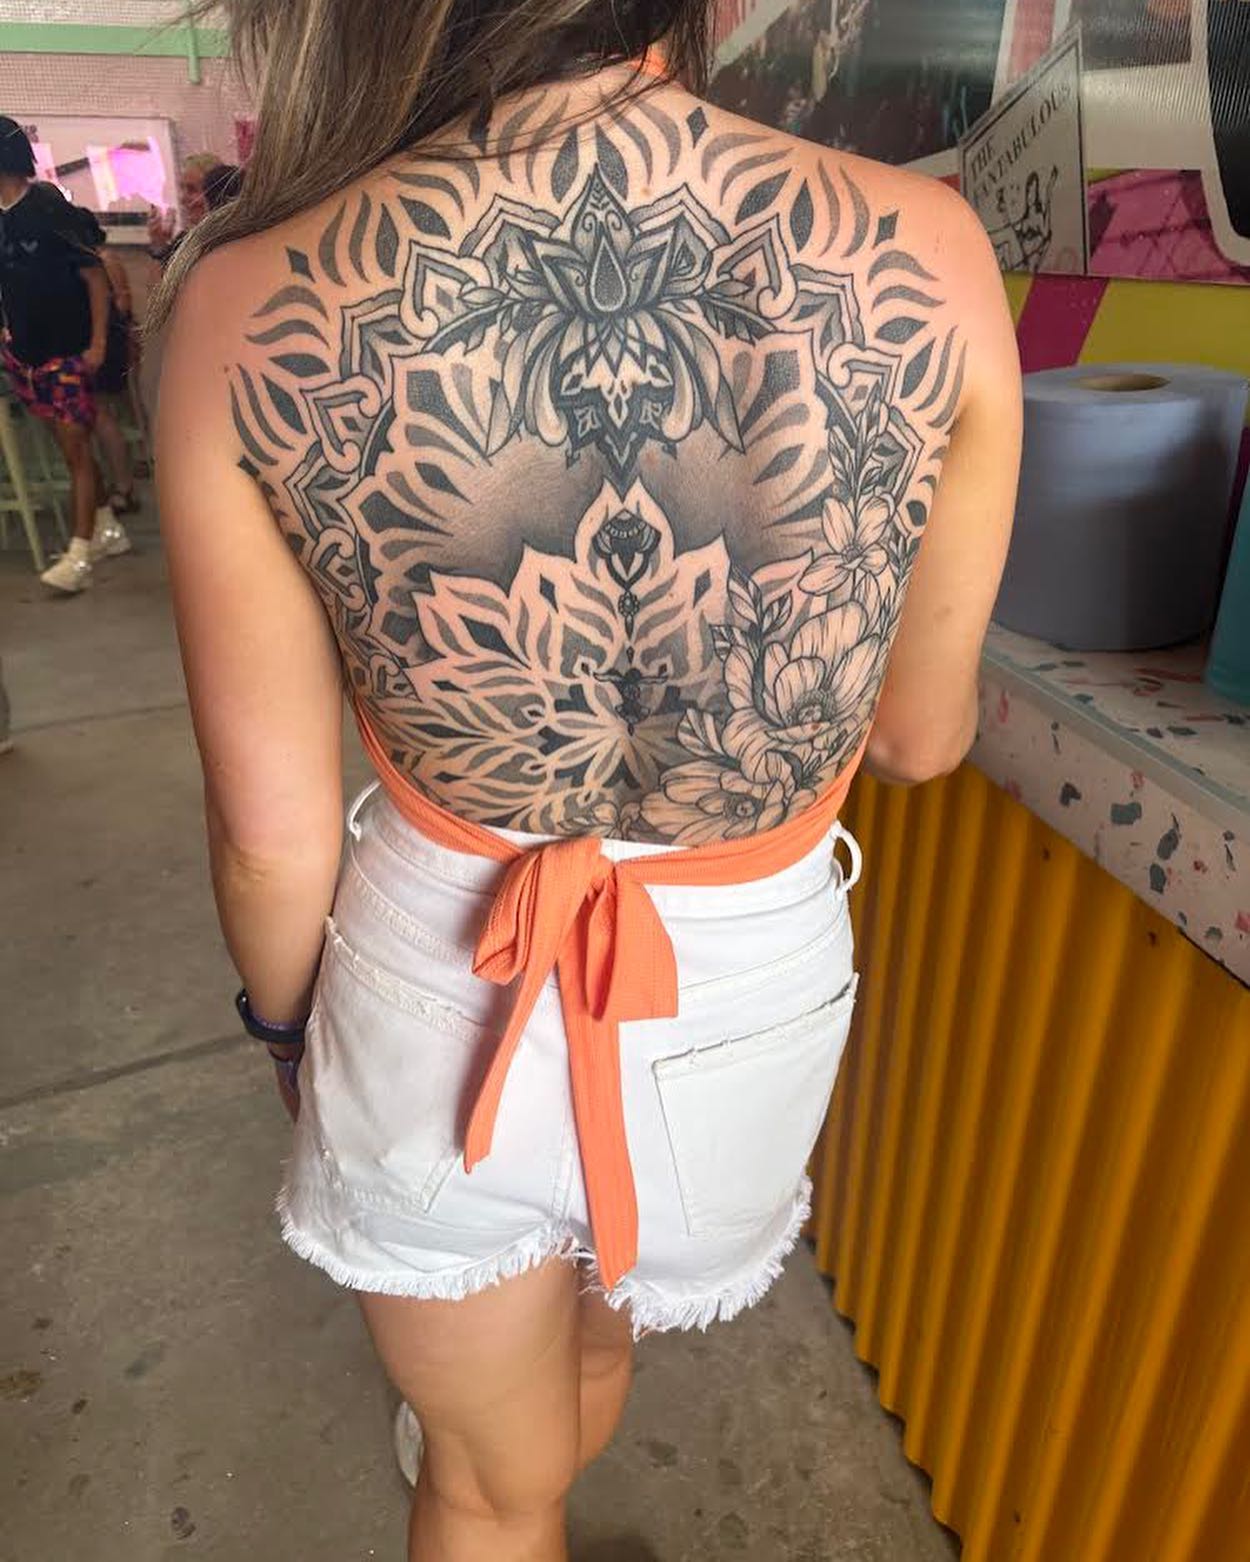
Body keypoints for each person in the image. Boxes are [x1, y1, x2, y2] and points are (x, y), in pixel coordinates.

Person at [153, 3, 1021, 1557]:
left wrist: (293, 1033)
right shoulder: (930, 249)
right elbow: (916, 737)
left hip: (439, 968)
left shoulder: (248, 297)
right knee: (601, 1332)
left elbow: (270, 840)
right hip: (739, 972)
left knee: (485, 1483)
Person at [0, 119, 130, 594]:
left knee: (76, 447)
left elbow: (94, 277)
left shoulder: (47, 207)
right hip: (27, 355)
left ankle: (79, 554)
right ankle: (105, 525)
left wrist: (97, 344)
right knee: (69, 447)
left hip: (70, 352)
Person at [70, 207, 138, 513]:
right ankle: (120, 481)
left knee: (99, 413)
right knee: (99, 414)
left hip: (107, 344)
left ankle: (123, 484)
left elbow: (122, 305)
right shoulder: (92, 261)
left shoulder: (102, 261)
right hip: (104, 342)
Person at [147, 150, 221, 264]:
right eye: (182, 189)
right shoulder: (184, 240)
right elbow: (160, 276)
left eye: (192, 189)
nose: (183, 199)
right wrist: (159, 244)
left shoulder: (228, 243)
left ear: (215, 193)